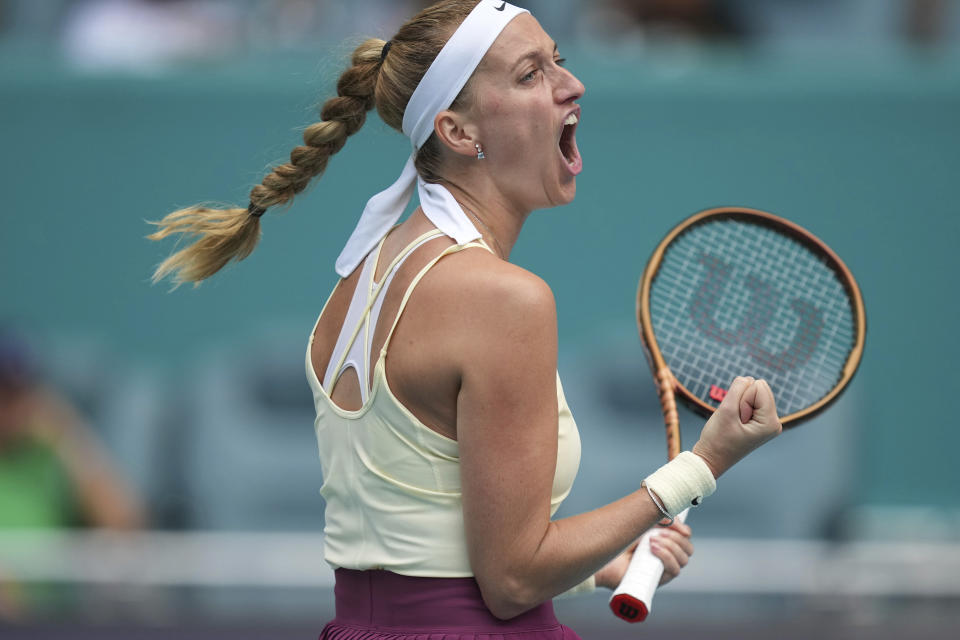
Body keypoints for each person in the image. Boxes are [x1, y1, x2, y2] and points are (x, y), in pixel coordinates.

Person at [148, 1, 782, 637]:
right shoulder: (505, 299)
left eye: (558, 59)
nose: (572, 83)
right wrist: (703, 465)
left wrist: (600, 567)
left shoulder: (361, 275)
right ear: (457, 131)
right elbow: (511, 582)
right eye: (530, 74)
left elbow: (424, 542)